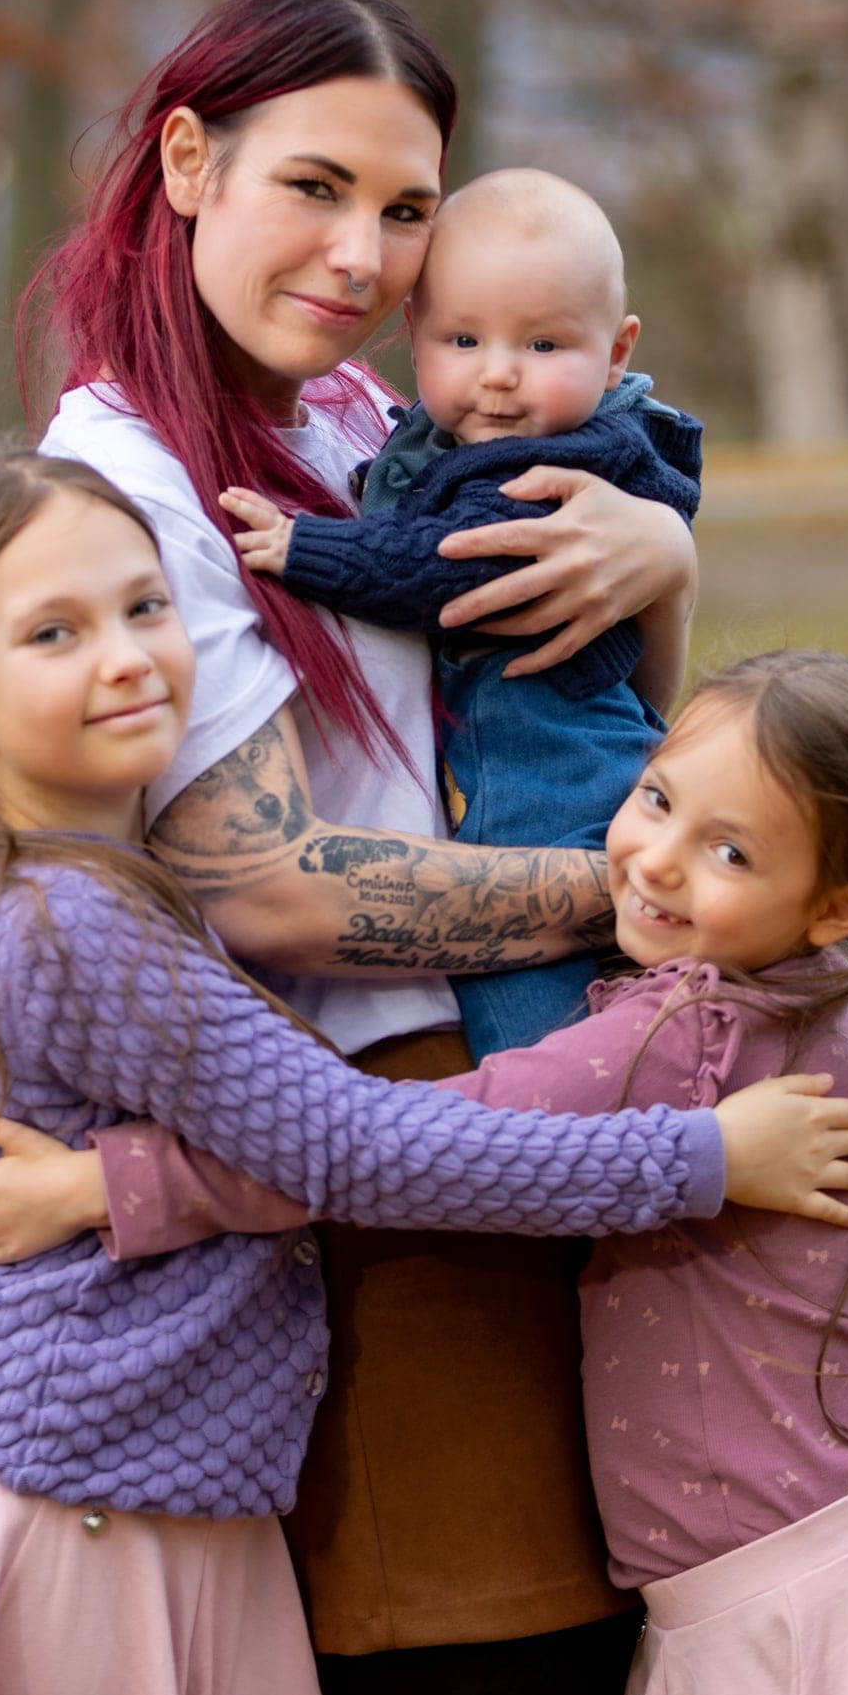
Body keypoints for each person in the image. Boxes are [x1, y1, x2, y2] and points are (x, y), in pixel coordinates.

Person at [0, 457, 848, 1695]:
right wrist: (703, 1156)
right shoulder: (76, 924)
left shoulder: (35, 877)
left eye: (147, 608)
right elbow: (359, 1147)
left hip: (113, 1494)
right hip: (80, 1517)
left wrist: (111, 1185)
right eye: (55, 633)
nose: (128, 657)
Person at [27, 0, 720, 1695]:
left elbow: (587, 702)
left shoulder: (361, 416)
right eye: (314, 188)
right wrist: (658, 908)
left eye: (405, 208)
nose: (363, 255)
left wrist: (665, 557)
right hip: (381, 1194)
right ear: (188, 162)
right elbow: (275, 885)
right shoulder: (131, 489)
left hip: (536, 1130)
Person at [0, 647, 848, 1695]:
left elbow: (383, 1148)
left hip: (768, 1618)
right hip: (824, 1574)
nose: (657, 860)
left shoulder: (682, 1037)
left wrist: (101, 1186)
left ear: (840, 906)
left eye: (731, 853)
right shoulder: (820, 1005)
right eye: (657, 798)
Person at [220, 164, 702, 1060]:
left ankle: (591, 1127)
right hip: (540, 773)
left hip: (550, 790)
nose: (499, 377)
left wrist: (303, 547)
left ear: (617, 352)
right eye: (465, 340)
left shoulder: (545, 469)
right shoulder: (434, 433)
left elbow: (436, 566)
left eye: (544, 346)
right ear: (415, 336)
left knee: (539, 1039)